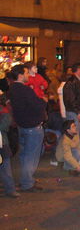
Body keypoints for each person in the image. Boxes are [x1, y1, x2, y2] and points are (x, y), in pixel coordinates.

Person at [8, 64, 47, 192]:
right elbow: (37, 104)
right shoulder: (24, 90)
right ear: (20, 75)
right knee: (31, 156)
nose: (28, 75)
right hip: (32, 126)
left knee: (25, 155)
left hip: (22, 126)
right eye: (25, 73)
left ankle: (26, 178)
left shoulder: (12, 89)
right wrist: (44, 100)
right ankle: (27, 182)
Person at [63, 63, 80, 136]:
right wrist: (77, 112)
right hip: (74, 112)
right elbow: (70, 99)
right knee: (74, 135)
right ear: (78, 70)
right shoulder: (71, 82)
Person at [0, 93, 19, 198]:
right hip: (2, 143)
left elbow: (4, 126)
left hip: (2, 143)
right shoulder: (5, 111)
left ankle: (10, 188)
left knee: (5, 166)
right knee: (5, 167)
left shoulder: (4, 112)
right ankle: (10, 189)